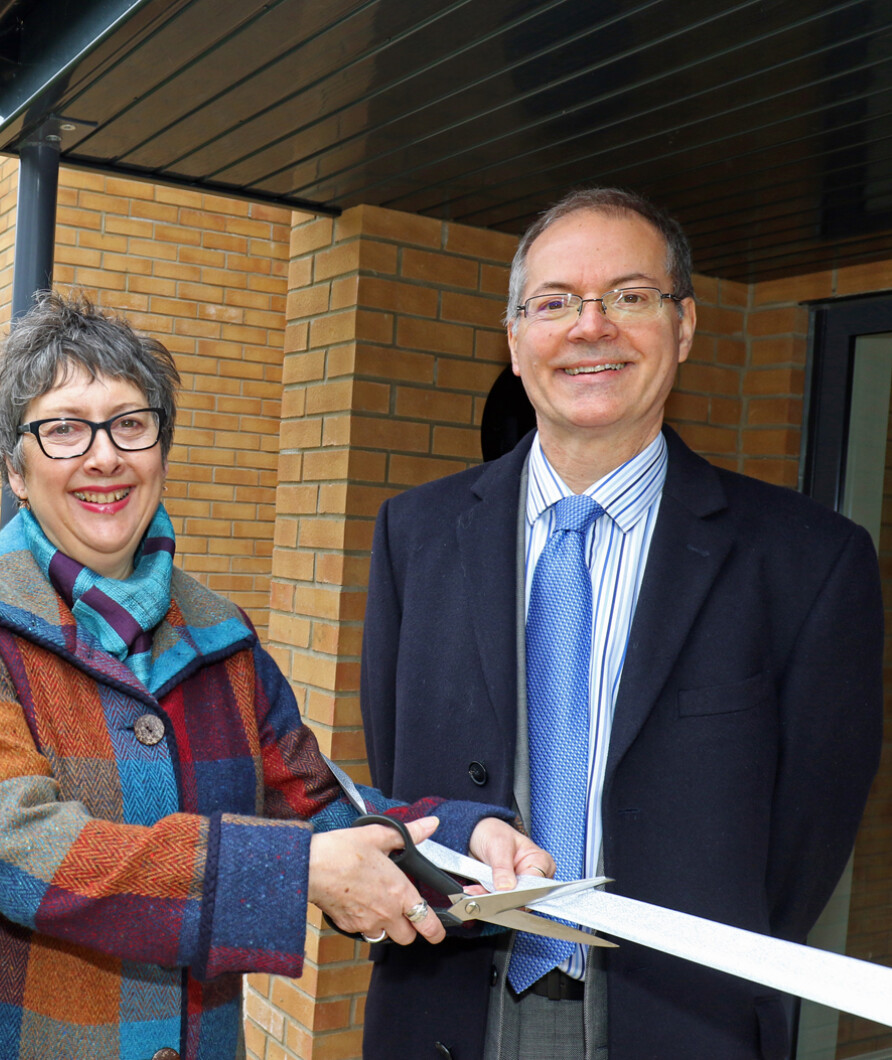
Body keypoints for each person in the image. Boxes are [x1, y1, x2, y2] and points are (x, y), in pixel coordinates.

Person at [0, 291, 554, 1060]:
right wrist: (294, 871)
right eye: (65, 430)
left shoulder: (222, 635)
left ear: (161, 450)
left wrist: (468, 843)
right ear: (15, 467)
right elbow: (23, 851)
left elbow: (320, 809)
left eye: (130, 424)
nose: (103, 456)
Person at [360, 188, 883, 1059]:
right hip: (446, 1013)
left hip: (681, 1021)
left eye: (631, 297)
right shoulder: (412, 536)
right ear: (517, 339)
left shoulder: (808, 563)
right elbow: (408, 787)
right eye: (555, 302)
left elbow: (804, 843)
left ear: (683, 328)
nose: (590, 326)